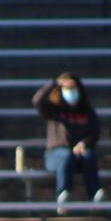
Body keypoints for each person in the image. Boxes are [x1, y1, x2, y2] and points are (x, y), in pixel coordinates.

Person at [34, 73, 103, 212]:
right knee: (66, 155)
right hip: (56, 155)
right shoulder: (54, 109)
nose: (71, 91)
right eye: (67, 88)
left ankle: (94, 196)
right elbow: (37, 101)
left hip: (79, 157)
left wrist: (84, 144)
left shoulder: (86, 110)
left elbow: (94, 132)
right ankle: (63, 195)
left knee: (89, 155)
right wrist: (54, 83)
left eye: (73, 87)